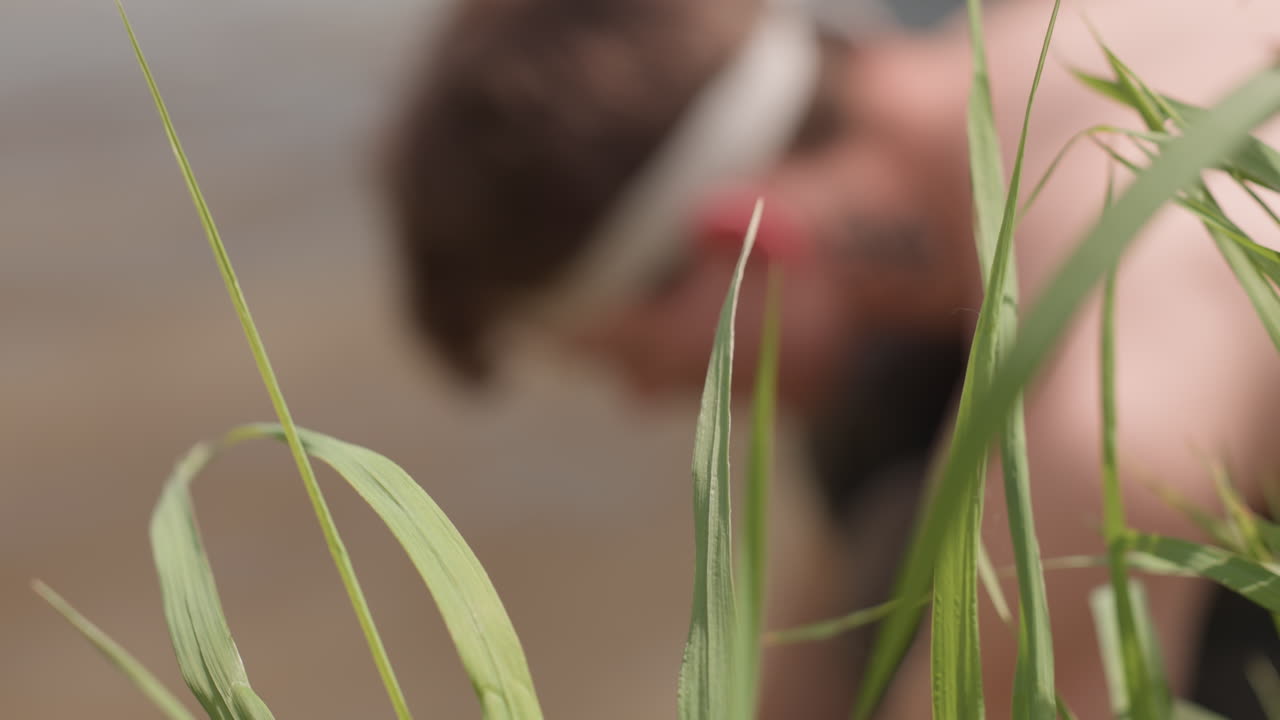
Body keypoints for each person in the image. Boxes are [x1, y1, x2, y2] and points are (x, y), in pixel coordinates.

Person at [379, 0, 1280, 717]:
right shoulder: (1034, 45)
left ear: (737, 240)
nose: (644, 398)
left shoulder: (1105, 391)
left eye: (627, 357)